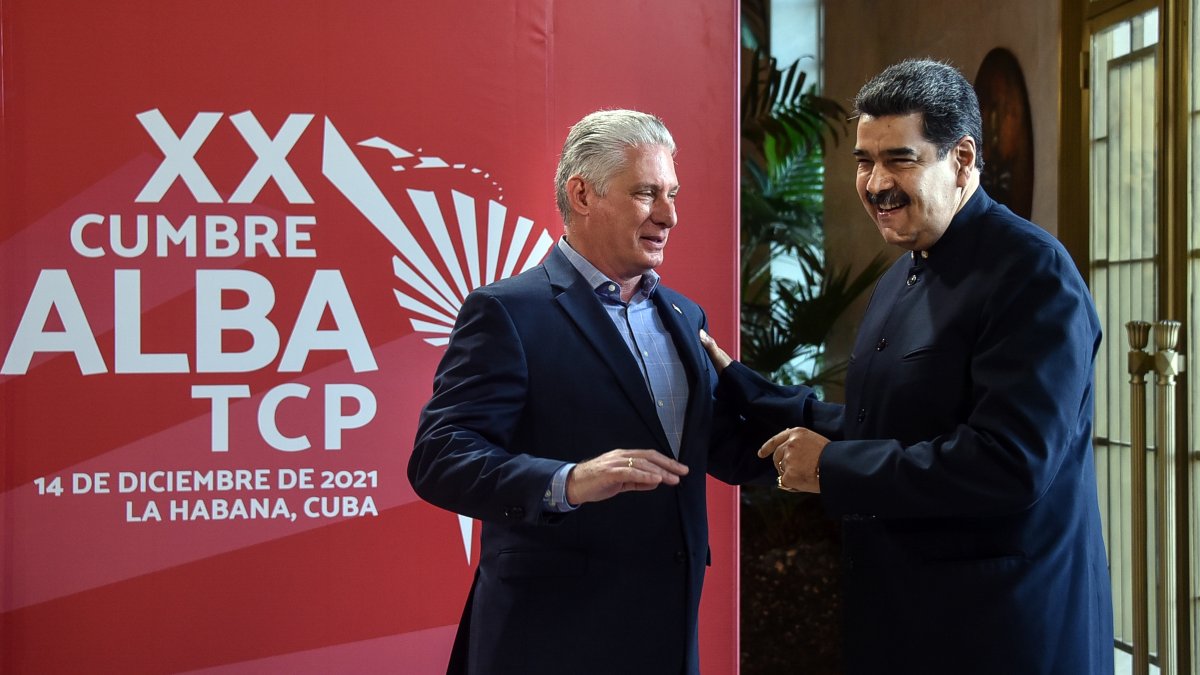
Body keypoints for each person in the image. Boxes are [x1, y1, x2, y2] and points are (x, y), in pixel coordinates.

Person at [701, 59, 1114, 674]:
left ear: (962, 159)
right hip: (906, 623)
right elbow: (884, 424)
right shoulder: (902, 275)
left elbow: (1009, 464)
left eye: (899, 159)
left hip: (1002, 633)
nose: (875, 183)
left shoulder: (1033, 273)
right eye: (864, 162)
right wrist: (743, 389)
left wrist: (831, 467)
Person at [409, 109, 772, 674]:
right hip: (549, 639)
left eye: (672, 194)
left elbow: (718, 445)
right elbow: (440, 458)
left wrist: (843, 450)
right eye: (646, 193)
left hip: (665, 634)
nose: (669, 215)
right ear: (582, 194)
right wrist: (570, 481)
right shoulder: (506, 312)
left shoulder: (685, 315)